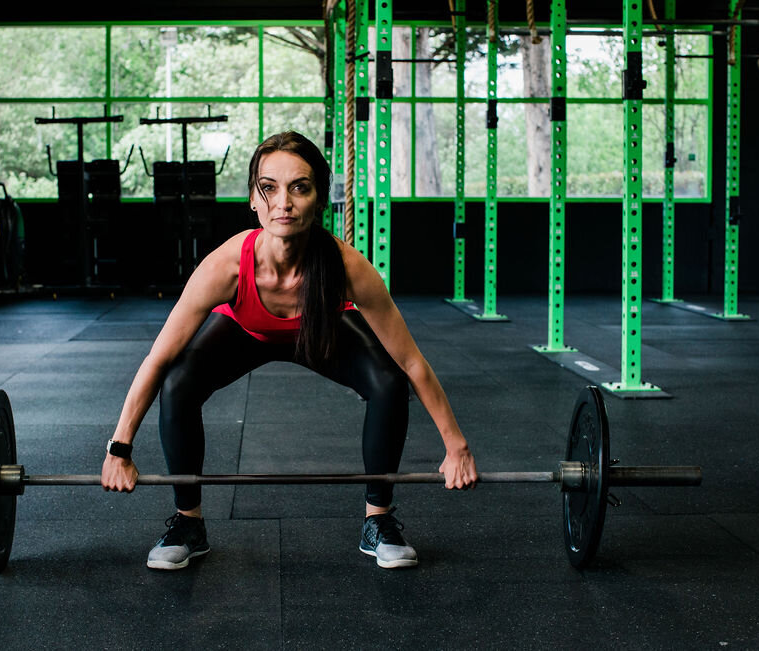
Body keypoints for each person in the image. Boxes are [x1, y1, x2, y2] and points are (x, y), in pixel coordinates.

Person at [101, 131, 478, 570]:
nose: (284, 202)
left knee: (389, 380)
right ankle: (189, 523)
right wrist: (120, 448)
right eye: (270, 188)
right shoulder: (225, 265)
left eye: (300, 187)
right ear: (253, 201)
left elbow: (412, 360)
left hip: (321, 328)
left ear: (319, 199)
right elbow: (159, 357)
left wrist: (457, 447)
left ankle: (379, 521)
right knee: (179, 380)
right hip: (246, 331)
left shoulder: (346, 266)